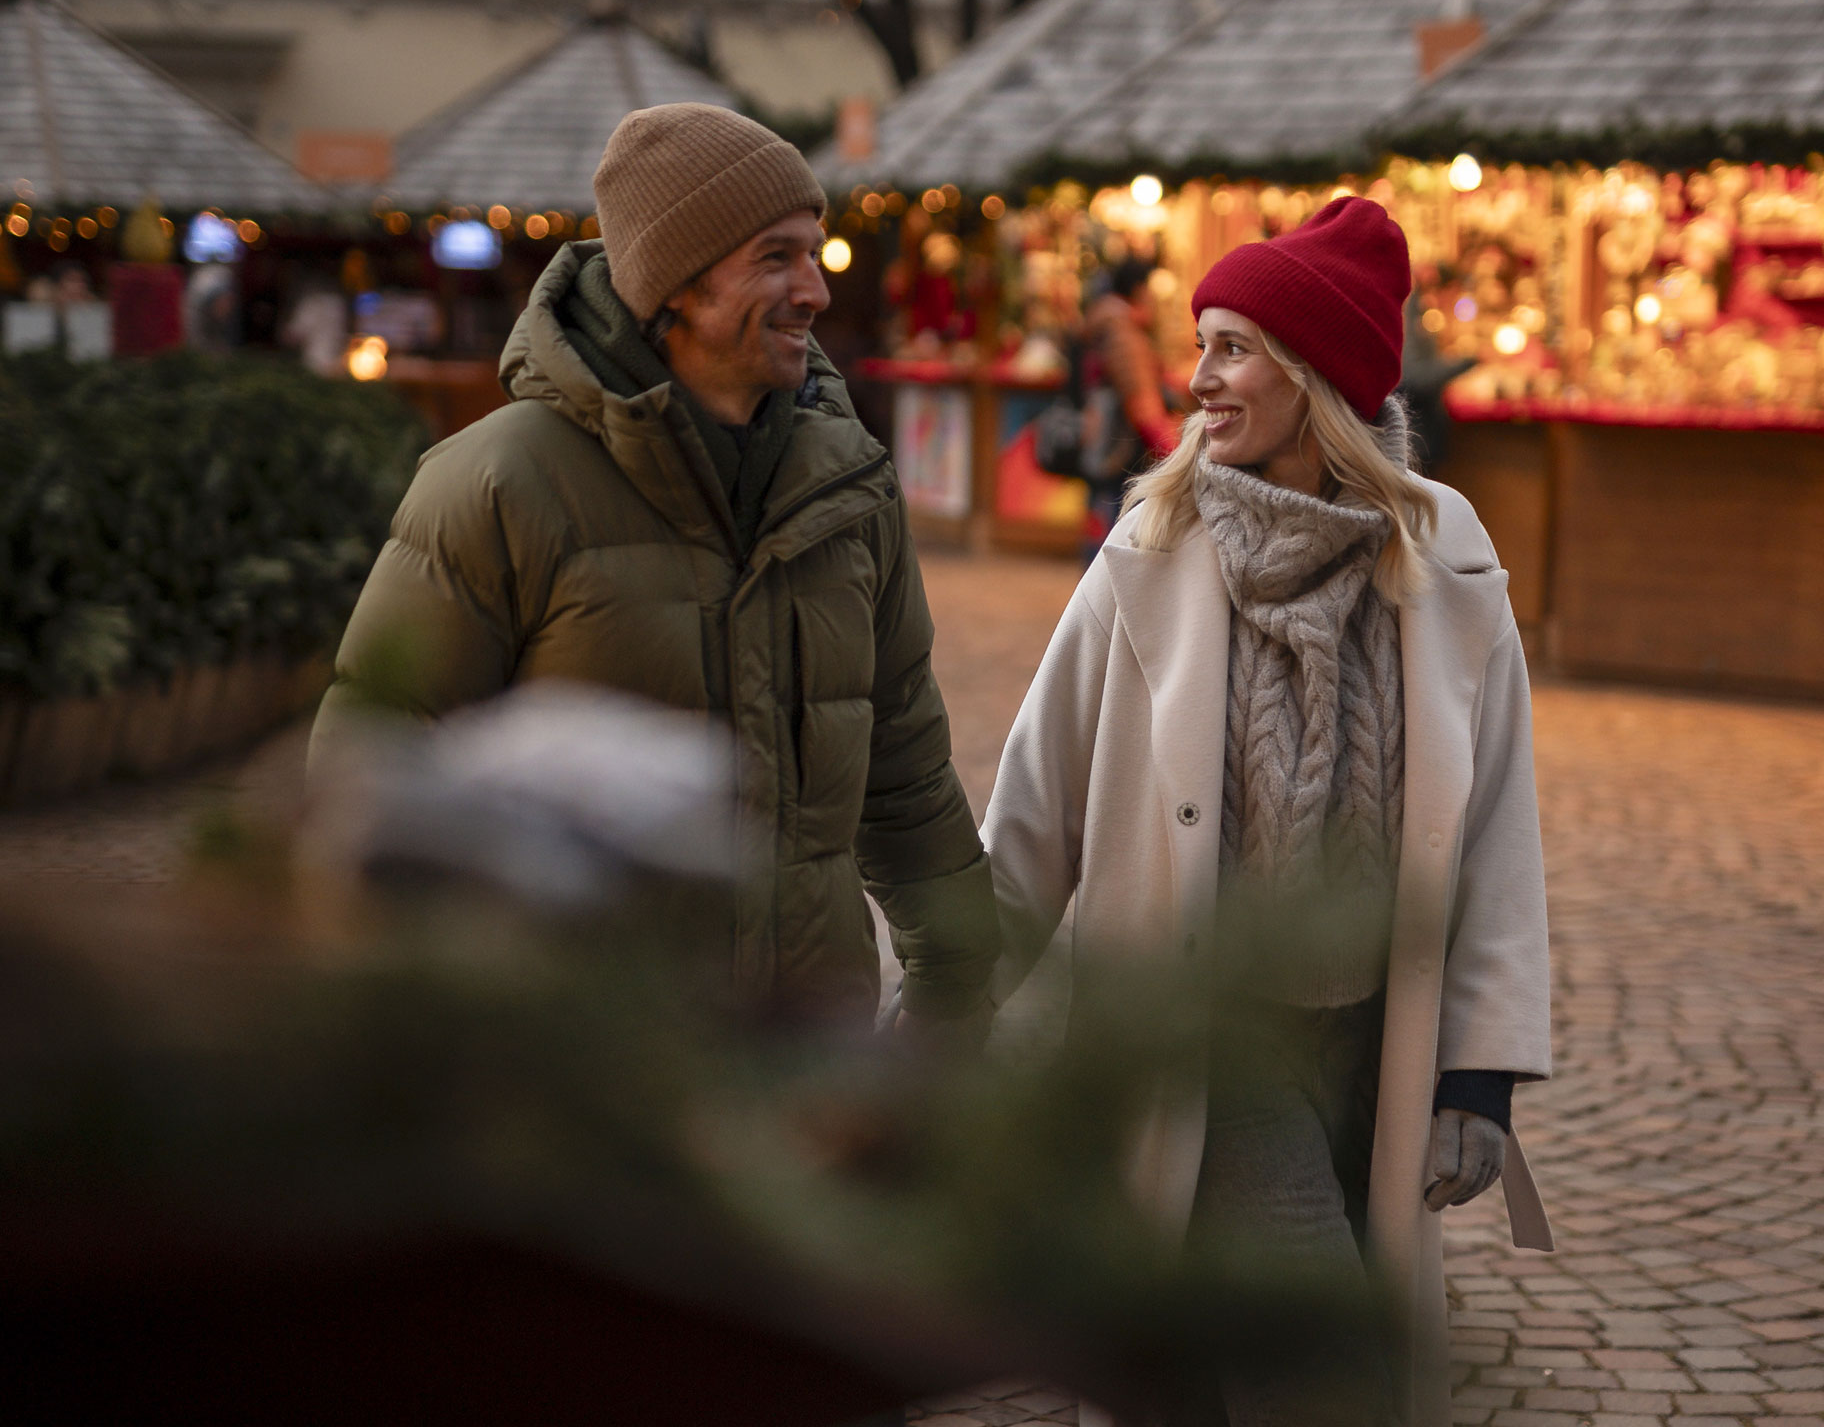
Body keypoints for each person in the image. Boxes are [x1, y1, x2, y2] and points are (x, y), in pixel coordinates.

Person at [980, 199, 1552, 1427]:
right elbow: (1033, 806)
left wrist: (1482, 1072)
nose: (1197, 380)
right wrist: (950, 1009)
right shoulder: (1155, 545)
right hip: (1209, 1031)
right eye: (1201, 344)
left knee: (1227, 1343)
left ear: (1313, 376)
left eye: (1231, 348)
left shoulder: (1440, 553)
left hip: (1373, 1038)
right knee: (1322, 1360)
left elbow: (1497, 816)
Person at [314, 103, 1001, 1034]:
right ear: (673, 283)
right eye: (776, 257)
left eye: (814, 253)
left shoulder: (852, 491)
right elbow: (372, 777)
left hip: (806, 1062)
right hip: (589, 1086)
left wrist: (958, 989)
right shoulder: (498, 483)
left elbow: (905, 770)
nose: (817, 291)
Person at [1078, 255, 1180, 552]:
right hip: (1122, 451)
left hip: (1104, 445)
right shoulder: (1123, 335)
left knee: (1099, 524)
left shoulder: (1107, 325)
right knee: (1116, 532)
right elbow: (1141, 402)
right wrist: (1173, 455)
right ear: (1139, 290)